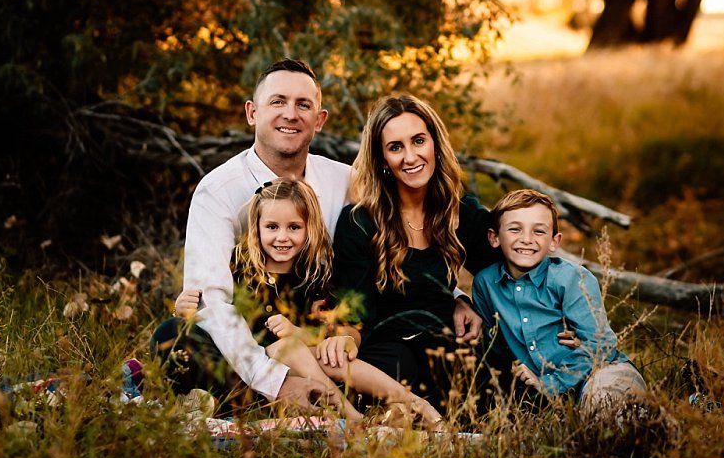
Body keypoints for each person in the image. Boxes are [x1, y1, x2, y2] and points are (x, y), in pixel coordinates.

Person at [159, 178, 442, 427]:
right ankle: (353, 417)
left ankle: (411, 402)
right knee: (173, 335)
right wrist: (185, 310)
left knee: (322, 353)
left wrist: (311, 335)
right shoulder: (239, 270)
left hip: (308, 366)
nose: (282, 237)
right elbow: (215, 318)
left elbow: (334, 331)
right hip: (253, 368)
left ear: (309, 229)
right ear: (256, 228)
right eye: (272, 227)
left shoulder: (315, 276)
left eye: (294, 227)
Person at [165, 59, 353, 414]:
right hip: (250, 343)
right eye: (277, 102)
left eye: (303, 105)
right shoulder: (218, 190)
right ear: (252, 113)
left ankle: (316, 396)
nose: (291, 114)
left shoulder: (344, 181)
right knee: (175, 337)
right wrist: (276, 380)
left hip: (318, 338)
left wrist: (455, 295)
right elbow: (211, 302)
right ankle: (272, 399)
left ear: (320, 119)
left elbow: (398, 235)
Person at [328, 93, 499, 410]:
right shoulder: (359, 223)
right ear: (381, 160)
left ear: (435, 143)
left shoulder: (461, 214)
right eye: (395, 147)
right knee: (399, 367)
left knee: (487, 370)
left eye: (418, 141)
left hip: (446, 348)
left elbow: (508, 271)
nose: (410, 157)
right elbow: (354, 315)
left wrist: (464, 300)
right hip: (390, 354)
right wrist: (344, 340)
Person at [472, 187, 647, 411]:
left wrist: (550, 384)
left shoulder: (570, 278)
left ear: (554, 241)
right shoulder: (485, 284)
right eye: (515, 229)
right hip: (542, 390)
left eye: (539, 232)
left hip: (601, 371)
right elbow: (492, 346)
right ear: (494, 237)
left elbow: (600, 344)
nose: (526, 239)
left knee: (611, 409)